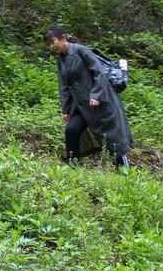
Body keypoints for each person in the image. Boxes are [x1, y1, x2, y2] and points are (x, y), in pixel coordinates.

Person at [45, 25, 132, 171]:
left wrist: (96, 95)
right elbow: (64, 86)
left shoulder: (81, 51)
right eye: (49, 44)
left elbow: (99, 74)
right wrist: (66, 110)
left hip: (101, 103)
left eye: (53, 41)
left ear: (63, 37)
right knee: (72, 130)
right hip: (80, 105)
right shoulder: (61, 60)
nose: (51, 46)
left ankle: (125, 173)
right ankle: (74, 168)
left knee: (114, 140)